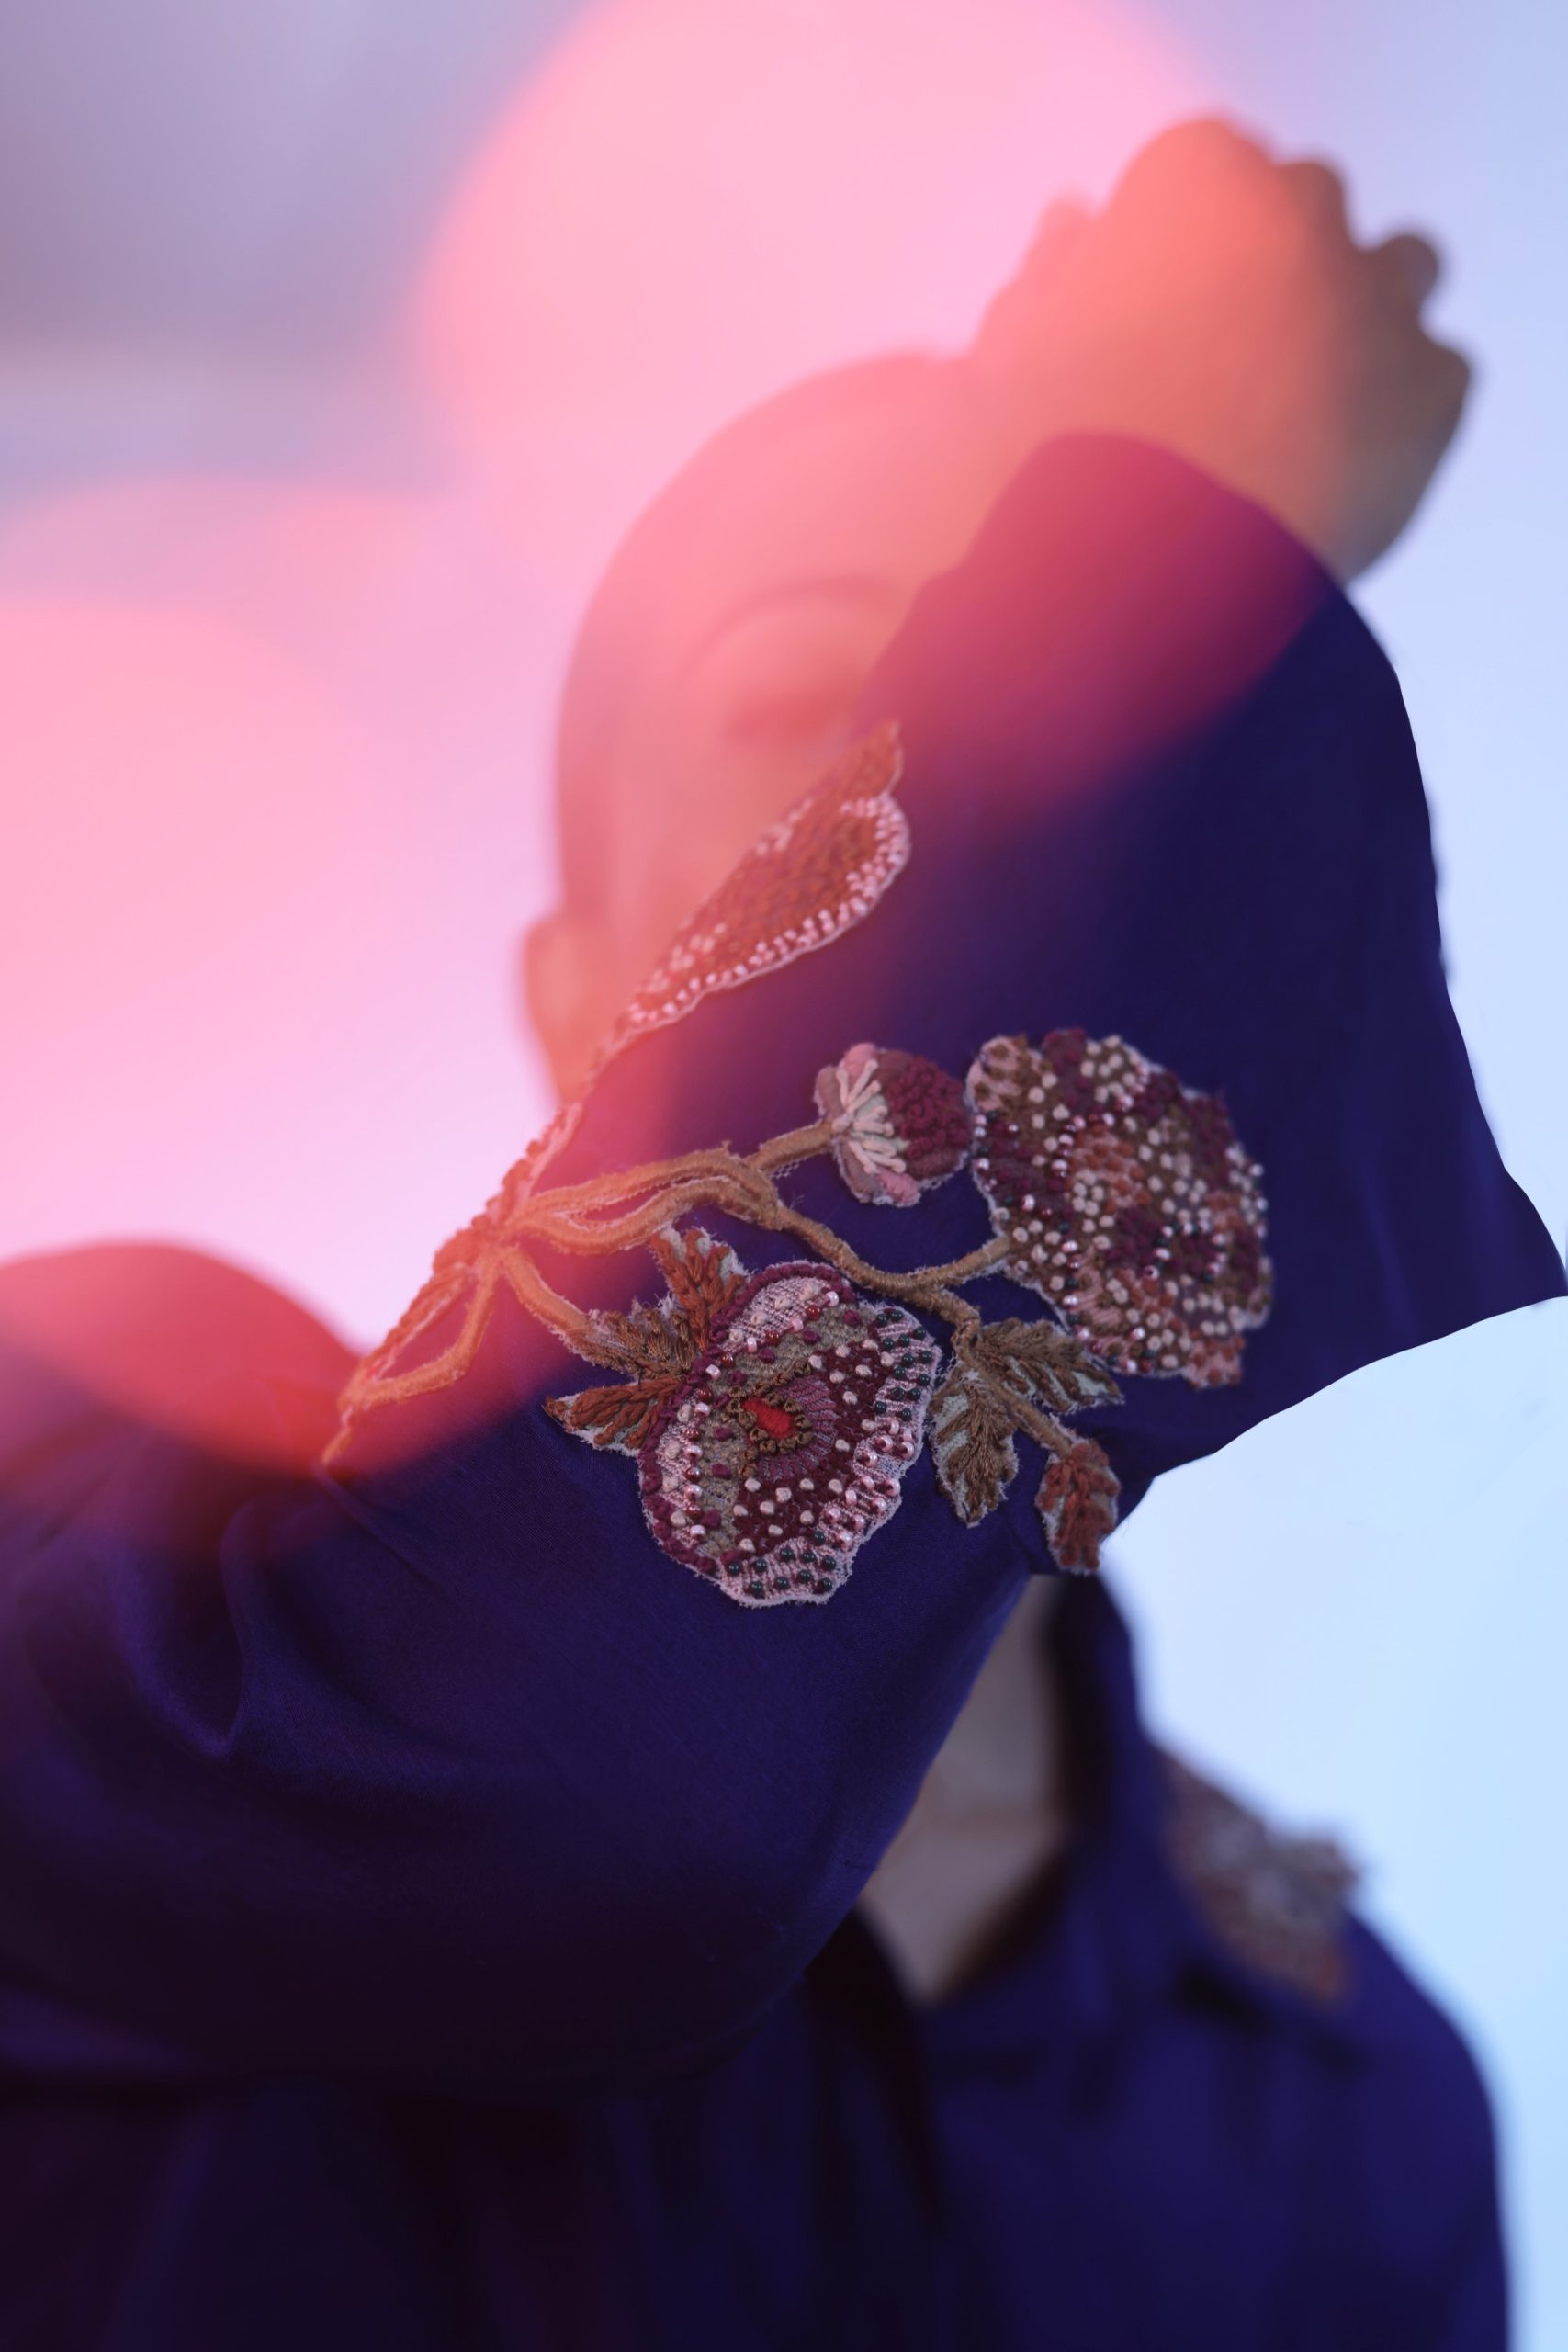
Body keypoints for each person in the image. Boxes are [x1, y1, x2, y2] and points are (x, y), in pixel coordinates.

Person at [0, 121, 1560, 2351]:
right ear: (583, 999)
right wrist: (1170, 516)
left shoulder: (1352, 2096)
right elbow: (571, 1794)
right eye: (822, 699)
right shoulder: (93, 1529)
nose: (960, 791)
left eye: (1054, 692)